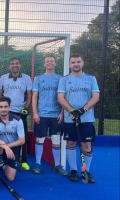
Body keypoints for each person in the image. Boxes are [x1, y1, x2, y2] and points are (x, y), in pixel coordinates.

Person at [58, 53, 99, 183]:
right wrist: (72, 111)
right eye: (73, 62)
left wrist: (82, 110)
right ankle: (74, 171)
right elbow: (60, 98)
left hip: (86, 119)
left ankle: (85, 170)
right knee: (71, 143)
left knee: (86, 144)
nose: (76, 64)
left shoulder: (91, 79)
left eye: (78, 62)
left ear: (82, 63)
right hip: (70, 118)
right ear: (70, 65)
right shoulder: (64, 80)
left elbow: (95, 97)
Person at [32, 55, 67, 175]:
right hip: (41, 114)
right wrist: (35, 113)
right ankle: (37, 163)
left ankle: (57, 165)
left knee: (56, 140)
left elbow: (63, 97)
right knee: (40, 139)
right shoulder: (38, 78)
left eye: (52, 61)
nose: (49, 63)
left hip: (56, 115)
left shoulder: (61, 79)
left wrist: (62, 112)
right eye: (47, 61)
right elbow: (35, 96)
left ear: (55, 63)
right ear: (44, 64)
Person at [0, 57, 32, 170]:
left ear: (20, 65)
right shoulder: (3, 78)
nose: (14, 65)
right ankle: (6, 160)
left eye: (16, 63)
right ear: (9, 66)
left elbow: (29, 95)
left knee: (23, 137)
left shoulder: (26, 78)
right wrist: (0, 108)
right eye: (12, 64)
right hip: (6, 112)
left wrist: (25, 108)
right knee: (6, 136)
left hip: (20, 112)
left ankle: (23, 161)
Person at [0, 96, 25, 190]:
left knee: (10, 178)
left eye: (5, 107)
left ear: (9, 107)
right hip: (0, 147)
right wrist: (4, 147)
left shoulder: (18, 120)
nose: (3, 109)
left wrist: (7, 146)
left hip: (13, 147)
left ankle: (3, 165)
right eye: (1, 107)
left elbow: (22, 140)